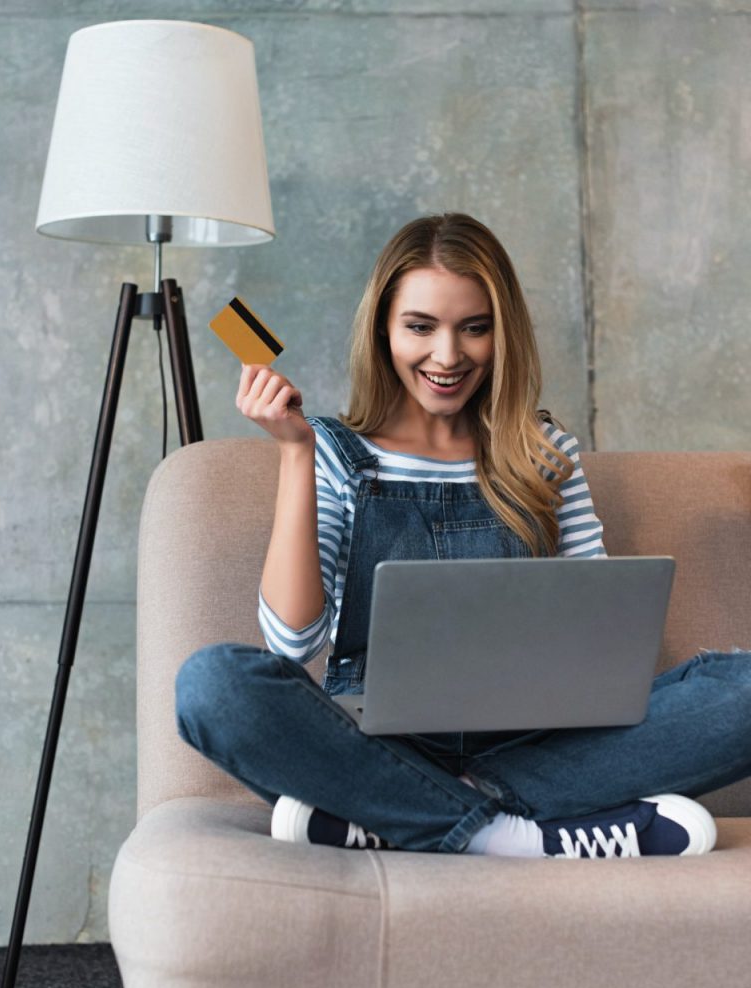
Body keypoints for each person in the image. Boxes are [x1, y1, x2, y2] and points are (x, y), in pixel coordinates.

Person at [176, 212, 751, 859]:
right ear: (383, 329)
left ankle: (405, 816)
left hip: (538, 742)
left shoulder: (544, 451)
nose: (447, 356)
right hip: (380, 741)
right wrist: (294, 453)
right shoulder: (337, 453)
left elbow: (603, 642)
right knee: (214, 685)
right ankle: (522, 836)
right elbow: (292, 640)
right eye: (420, 327)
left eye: (474, 329)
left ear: (501, 335)